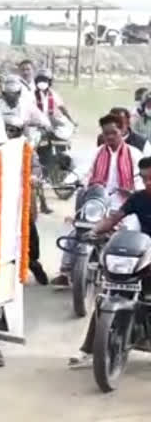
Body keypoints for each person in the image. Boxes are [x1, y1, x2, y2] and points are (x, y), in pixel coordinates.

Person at [68, 156, 151, 368]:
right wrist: (94, 230)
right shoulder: (138, 198)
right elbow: (114, 218)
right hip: (142, 251)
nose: (148, 183)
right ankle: (89, 350)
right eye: (144, 179)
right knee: (109, 294)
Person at [51, 113, 144, 287]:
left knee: (132, 233)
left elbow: (141, 178)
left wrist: (134, 189)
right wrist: (69, 182)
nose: (109, 137)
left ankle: (129, 276)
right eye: (105, 133)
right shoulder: (96, 153)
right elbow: (83, 171)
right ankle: (65, 271)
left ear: (122, 131)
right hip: (98, 202)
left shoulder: (134, 154)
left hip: (124, 205)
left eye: (113, 133)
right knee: (76, 231)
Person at [3, 113, 49, 285]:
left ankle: (33, 263)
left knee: (28, 231)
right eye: (6, 129)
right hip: (1, 199)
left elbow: (36, 167)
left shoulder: (26, 148)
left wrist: (33, 177)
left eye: (12, 130)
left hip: (22, 198)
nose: (8, 133)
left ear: (20, 131)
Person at [0, 75, 54, 213]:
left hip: (23, 141)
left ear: (19, 93)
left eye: (14, 94)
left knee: (33, 168)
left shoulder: (27, 105)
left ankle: (41, 202)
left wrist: (45, 125)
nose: (11, 97)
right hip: (1, 143)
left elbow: (44, 121)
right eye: (8, 94)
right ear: (3, 94)